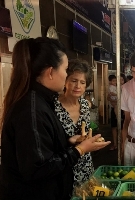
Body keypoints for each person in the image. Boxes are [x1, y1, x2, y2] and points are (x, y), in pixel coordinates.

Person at [0, 37, 110, 200]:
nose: (67, 77)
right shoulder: (32, 109)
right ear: (51, 72)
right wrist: (80, 149)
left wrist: (68, 140)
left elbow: (43, 147)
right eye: (65, 71)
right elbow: (38, 168)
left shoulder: (40, 102)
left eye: (82, 82)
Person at [54, 59, 94, 188]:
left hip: (85, 163)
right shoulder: (53, 107)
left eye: (82, 82)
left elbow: (85, 134)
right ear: (65, 81)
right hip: (62, 166)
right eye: (74, 80)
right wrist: (69, 140)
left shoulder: (85, 105)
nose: (78, 86)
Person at [108, 73, 127, 150]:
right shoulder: (114, 88)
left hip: (123, 110)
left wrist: (116, 101)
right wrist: (113, 101)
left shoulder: (126, 88)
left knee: (123, 127)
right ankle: (115, 144)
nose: (120, 81)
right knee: (114, 127)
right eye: (119, 80)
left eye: (122, 79)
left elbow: (125, 101)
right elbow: (108, 98)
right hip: (114, 108)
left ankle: (123, 144)